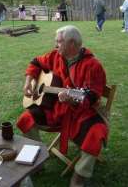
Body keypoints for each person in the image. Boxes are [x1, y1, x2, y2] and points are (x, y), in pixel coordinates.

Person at [17, 25, 107, 187]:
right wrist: (29, 81)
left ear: (72, 43)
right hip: (54, 109)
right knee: (25, 119)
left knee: (97, 131)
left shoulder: (93, 65)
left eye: (59, 42)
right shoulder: (55, 56)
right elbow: (35, 62)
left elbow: (92, 96)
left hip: (79, 112)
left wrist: (71, 99)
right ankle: (38, 162)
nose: (55, 45)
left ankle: (79, 176)